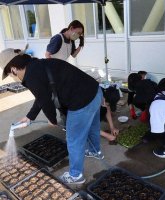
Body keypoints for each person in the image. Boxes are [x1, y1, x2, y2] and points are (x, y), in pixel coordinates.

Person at [0, 47, 104, 184]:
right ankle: (96, 151)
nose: (13, 77)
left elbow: (45, 101)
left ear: (13, 69)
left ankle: (76, 175)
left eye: (10, 74)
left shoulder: (31, 76)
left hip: (81, 102)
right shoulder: (38, 64)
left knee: (74, 139)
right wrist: (30, 116)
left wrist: (51, 119)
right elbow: (42, 94)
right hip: (95, 91)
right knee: (93, 126)